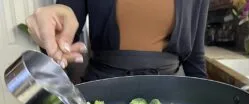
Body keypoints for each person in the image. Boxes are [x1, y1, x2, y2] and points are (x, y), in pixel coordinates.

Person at [26, 0, 210, 82]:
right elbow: (62, 38)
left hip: (170, 91)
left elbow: (195, 56)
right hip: (103, 87)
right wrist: (50, 37)